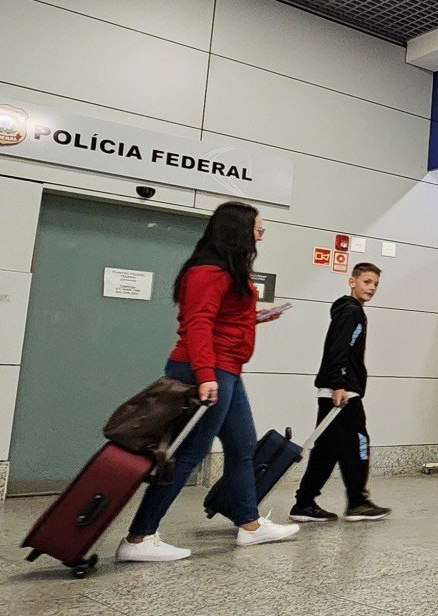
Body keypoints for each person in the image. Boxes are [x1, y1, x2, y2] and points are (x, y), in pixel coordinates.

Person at [117, 202, 299, 562]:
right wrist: (205, 376)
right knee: (190, 453)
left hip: (225, 368)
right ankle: (139, 537)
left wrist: (254, 319)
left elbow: (219, 319)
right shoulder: (208, 272)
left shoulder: (225, 270)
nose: (261, 235)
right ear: (238, 231)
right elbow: (197, 323)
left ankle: (249, 524)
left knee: (242, 444)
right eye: (258, 229)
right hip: (208, 369)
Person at [291, 262, 390, 524]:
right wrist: (339, 384)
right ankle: (357, 501)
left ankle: (305, 502)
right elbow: (339, 348)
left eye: (376, 284)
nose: (372, 288)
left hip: (337, 389)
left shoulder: (351, 310)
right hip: (342, 392)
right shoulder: (350, 311)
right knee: (359, 443)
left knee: (328, 449)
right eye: (367, 282)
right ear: (352, 281)